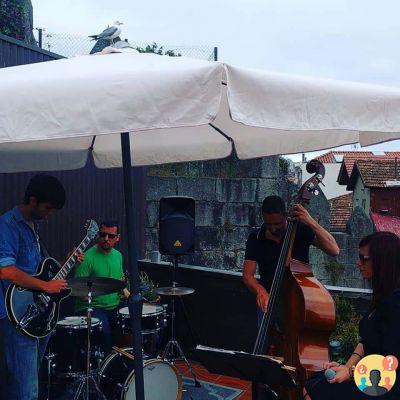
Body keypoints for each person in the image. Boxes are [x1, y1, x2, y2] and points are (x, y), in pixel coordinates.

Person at [304, 231, 400, 400]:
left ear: (383, 262)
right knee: (314, 382)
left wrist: (351, 372)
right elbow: (366, 341)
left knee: (315, 390)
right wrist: (346, 367)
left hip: (383, 384)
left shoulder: (395, 304)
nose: (358, 263)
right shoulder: (382, 296)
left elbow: (391, 362)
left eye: (364, 258)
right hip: (368, 375)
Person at [0, 174, 70, 400]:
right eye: (48, 209)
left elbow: (37, 269)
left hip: (35, 314)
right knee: (27, 389)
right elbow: (6, 271)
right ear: (32, 200)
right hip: (16, 317)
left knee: (22, 383)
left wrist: (65, 262)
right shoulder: (7, 225)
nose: (49, 215)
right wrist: (46, 287)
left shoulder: (33, 226)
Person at [242, 195, 339, 314]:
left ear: (285, 216)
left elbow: (334, 250)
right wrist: (260, 290)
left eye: (277, 224)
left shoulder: (300, 230)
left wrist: (309, 220)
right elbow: (248, 275)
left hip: (300, 301)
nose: (273, 229)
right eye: (268, 224)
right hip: (269, 303)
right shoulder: (256, 237)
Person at [74, 220, 129, 354]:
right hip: (91, 307)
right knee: (104, 331)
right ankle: (106, 365)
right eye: (103, 235)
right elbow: (78, 290)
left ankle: (133, 360)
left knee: (137, 319)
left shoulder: (118, 255)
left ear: (117, 238)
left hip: (114, 305)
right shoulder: (86, 257)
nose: (106, 239)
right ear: (98, 235)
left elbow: (119, 281)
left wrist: (127, 292)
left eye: (111, 236)